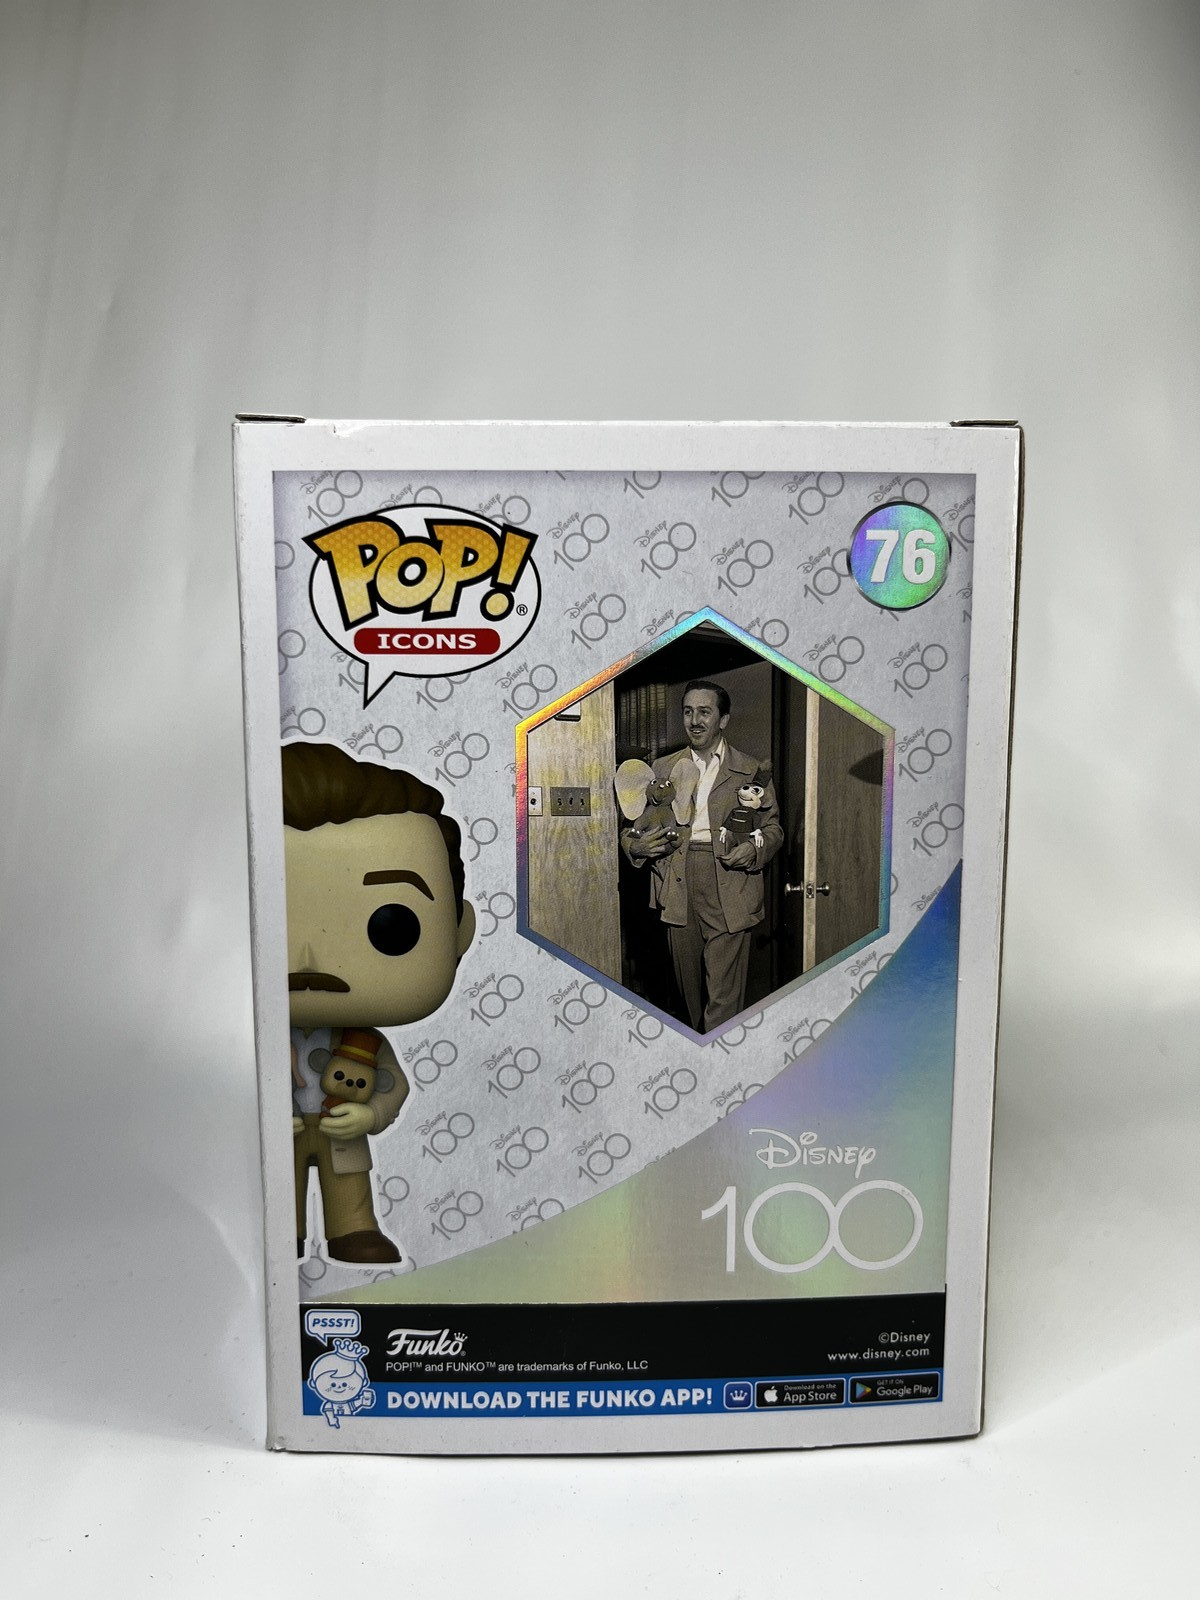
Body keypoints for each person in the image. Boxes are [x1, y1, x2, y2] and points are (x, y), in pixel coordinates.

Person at [283, 742, 476, 1264]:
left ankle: (352, 1230)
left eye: (392, 925)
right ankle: (283, 1234)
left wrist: (369, 1115)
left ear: (459, 932)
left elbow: (393, 1084)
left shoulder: (363, 1042)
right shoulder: (249, 1043)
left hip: (342, 1133)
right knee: (278, 1196)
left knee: (349, 1188)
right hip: (279, 1140)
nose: (307, 958)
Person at [620, 681, 782, 1033]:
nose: (695, 721)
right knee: (689, 996)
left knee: (722, 1001)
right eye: (688, 711)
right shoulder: (662, 768)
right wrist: (633, 847)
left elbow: (772, 829)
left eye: (705, 712)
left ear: (723, 720)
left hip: (731, 882)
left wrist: (753, 850)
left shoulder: (750, 769)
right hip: (677, 881)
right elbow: (631, 826)